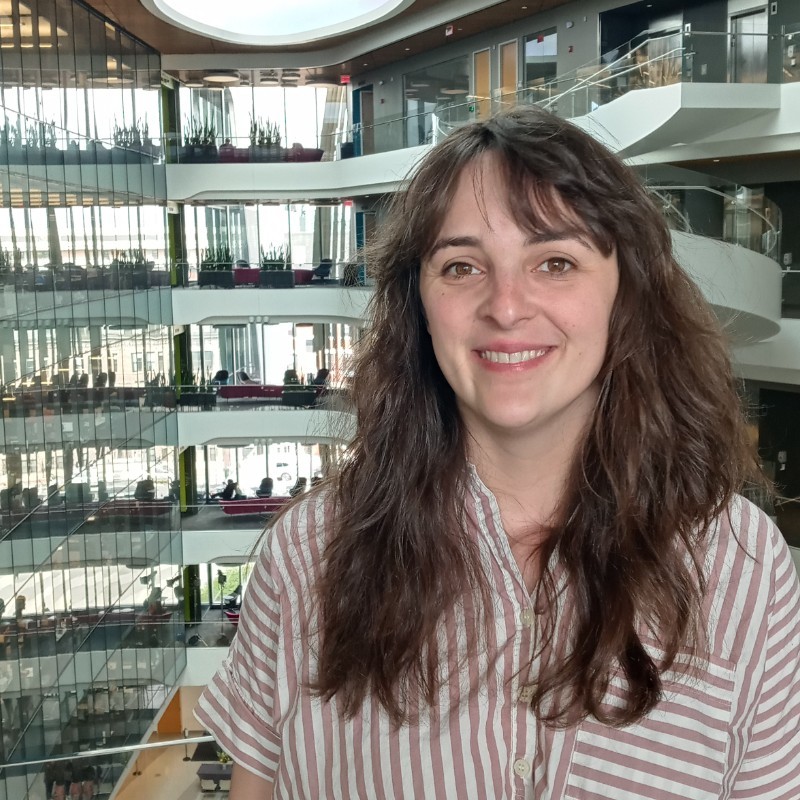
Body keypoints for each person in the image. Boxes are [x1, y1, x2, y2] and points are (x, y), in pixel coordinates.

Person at [195, 106, 800, 799]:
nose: (506, 306)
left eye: (555, 262)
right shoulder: (306, 559)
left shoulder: (741, 567)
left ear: (625, 294)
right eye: (461, 266)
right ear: (419, 304)